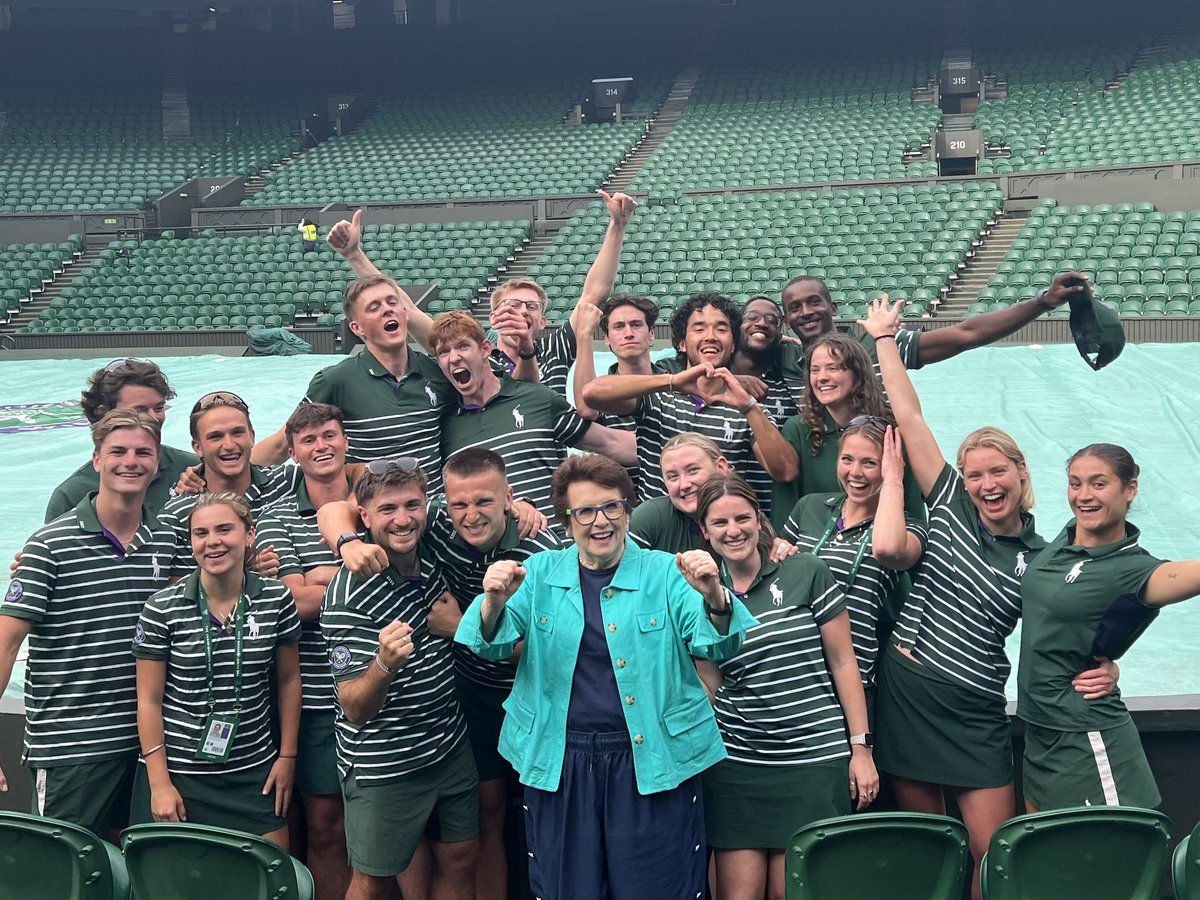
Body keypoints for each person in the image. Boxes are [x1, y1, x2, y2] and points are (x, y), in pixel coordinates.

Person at [862, 296, 1115, 899]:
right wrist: (884, 340)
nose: (986, 483)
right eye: (975, 474)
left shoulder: (1046, 555)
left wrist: (1107, 661)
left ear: (1021, 473)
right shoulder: (949, 504)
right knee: (931, 851)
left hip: (977, 709)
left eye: (997, 471)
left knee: (996, 852)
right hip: (910, 691)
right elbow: (911, 417)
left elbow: (1076, 619)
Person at [455, 454, 756, 900]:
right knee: (566, 889)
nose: (601, 522)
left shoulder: (665, 571)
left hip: (653, 757)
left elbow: (717, 644)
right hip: (560, 760)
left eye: (612, 507)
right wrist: (493, 601)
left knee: (657, 889)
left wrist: (714, 594)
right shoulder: (538, 573)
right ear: (566, 521)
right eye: (585, 512)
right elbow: (488, 645)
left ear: (627, 511)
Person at [693, 473, 878, 900]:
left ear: (759, 519)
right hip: (738, 764)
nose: (733, 530)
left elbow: (844, 662)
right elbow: (710, 683)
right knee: (738, 894)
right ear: (704, 530)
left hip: (814, 760)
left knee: (790, 893)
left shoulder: (805, 570)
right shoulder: (698, 591)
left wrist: (861, 749)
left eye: (742, 518)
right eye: (720, 522)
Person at [0, 410, 174, 834]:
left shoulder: (168, 540)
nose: (130, 461)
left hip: (147, 748)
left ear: (156, 464)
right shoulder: (49, 545)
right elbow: (6, 644)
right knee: (67, 864)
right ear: (96, 460)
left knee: (139, 863)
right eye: (118, 451)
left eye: (143, 453)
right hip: (71, 748)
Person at [321, 458, 477, 900]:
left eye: (412, 505)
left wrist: (519, 507)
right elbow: (354, 706)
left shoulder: (432, 546)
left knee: (461, 857)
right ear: (365, 517)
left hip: (448, 745)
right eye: (387, 509)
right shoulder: (348, 593)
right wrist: (385, 664)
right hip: (385, 762)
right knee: (373, 881)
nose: (403, 519)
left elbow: (477, 502)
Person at [1018, 443, 1200, 811]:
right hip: (1040, 731)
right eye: (1075, 483)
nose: (1083, 496)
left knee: (1104, 846)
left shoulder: (1134, 569)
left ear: (1130, 489)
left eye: (1099, 484)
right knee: (1045, 846)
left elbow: (1182, 575)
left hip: (1087, 738)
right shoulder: (1065, 541)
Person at [324, 189, 637, 398]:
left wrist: (617, 225)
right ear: (494, 317)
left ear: (543, 321)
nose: (522, 311)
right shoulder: (469, 351)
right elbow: (408, 309)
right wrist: (355, 255)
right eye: (513, 305)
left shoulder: (557, 348)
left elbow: (593, 294)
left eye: (531, 307)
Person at [422, 448, 564, 900]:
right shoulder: (438, 525)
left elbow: (552, 651)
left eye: (484, 501)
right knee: (488, 812)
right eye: (459, 504)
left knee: (546, 815)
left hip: (537, 702)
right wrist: (350, 541)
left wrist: (460, 626)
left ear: (509, 497)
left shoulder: (541, 553)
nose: (471, 515)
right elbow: (349, 503)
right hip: (474, 701)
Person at [131, 491, 302, 846]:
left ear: (249, 534)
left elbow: (288, 680)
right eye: (201, 533)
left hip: (254, 773)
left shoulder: (276, 598)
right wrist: (159, 784)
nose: (213, 542)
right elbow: (148, 701)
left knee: (272, 869)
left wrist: (287, 756)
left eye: (225, 529)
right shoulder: (162, 608)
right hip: (179, 774)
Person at [254, 403, 352, 900]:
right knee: (326, 824)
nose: (321, 446)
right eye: (308, 440)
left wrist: (320, 577)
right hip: (317, 700)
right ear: (292, 453)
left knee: (404, 821)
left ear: (345, 440)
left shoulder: (377, 505)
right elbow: (292, 603)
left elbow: (403, 571)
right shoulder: (277, 519)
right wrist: (361, 572)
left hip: (391, 689)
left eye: (329, 435)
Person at [582, 292, 796, 515]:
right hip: (659, 530)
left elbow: (786, 471)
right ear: (683, 344)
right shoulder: (658, 396)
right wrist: (672, 382)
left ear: (733, 345)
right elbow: (591, 393)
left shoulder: (747, 407)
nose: (711, 336)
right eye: (699, 329)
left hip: (719, 528)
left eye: (721, 329)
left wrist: (749, 408)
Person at [251, 275, 458, 495]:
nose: (387, 310)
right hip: (374, 509)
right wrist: (228, 476)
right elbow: (282, 444)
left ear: (405, 313)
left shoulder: (437, 373)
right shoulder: (335, 380)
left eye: (392, 302)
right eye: (374, 307)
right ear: (356, 328)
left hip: (433, 508)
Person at [430, 311, 637, 523]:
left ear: (485, 349)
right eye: (444, 352)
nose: (454, 358)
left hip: (554, 538)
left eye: (463, 346)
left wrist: (659, 446)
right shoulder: (443, 426)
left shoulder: (537, 398)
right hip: (489, 543)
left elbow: (610, 442)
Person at [774, 271, 1092, 405]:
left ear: (832, 307)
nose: (806, 312)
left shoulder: (878, 343)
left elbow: (967, 334)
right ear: (787, 320)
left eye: (814, 302)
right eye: (795, 308)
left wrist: (1042, 303)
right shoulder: (783, 360)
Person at [780, 421, 926, 712]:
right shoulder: (809, 507)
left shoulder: (906, 529)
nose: (855, 473)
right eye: (847, 459)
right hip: (790, 673)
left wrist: (893, 480)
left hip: (848, 684)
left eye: (870, 463)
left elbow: (888, 549)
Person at [772, 332, 926, 531]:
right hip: (813, 546)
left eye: (833, 368)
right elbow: (784, 514)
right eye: (815, 370)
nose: (822, 377)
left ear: (858, 374)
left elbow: (913, 511)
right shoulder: (797, 430)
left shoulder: (891, 431)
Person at [156, 391, 299, 579]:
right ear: (198, 447)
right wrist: (245, 573)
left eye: (237, 432)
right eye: (216, 437)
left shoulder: (288, 481)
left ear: (252, 437)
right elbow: (175, 590)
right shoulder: (177, 515)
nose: (229, 445)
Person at [45, 358, 199, 521]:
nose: (154, 418)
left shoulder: (191, 470)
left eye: (159, 408)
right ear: (104, 413)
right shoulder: (72, 495)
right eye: (140, 410)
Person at [572, 293, 669, 491]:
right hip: (623, 499)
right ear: (607, 339)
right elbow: (587, 408)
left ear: (651, 333)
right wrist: (584, 336)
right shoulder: (602, 393)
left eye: (636, 324)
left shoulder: (674, 380)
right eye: (619, 327)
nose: (628, 333)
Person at [629, 432, 729, 553]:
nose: (684, 485)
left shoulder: (746, 515)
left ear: (721, 467)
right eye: (673, 476)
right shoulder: (649, 518)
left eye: (693, 470)